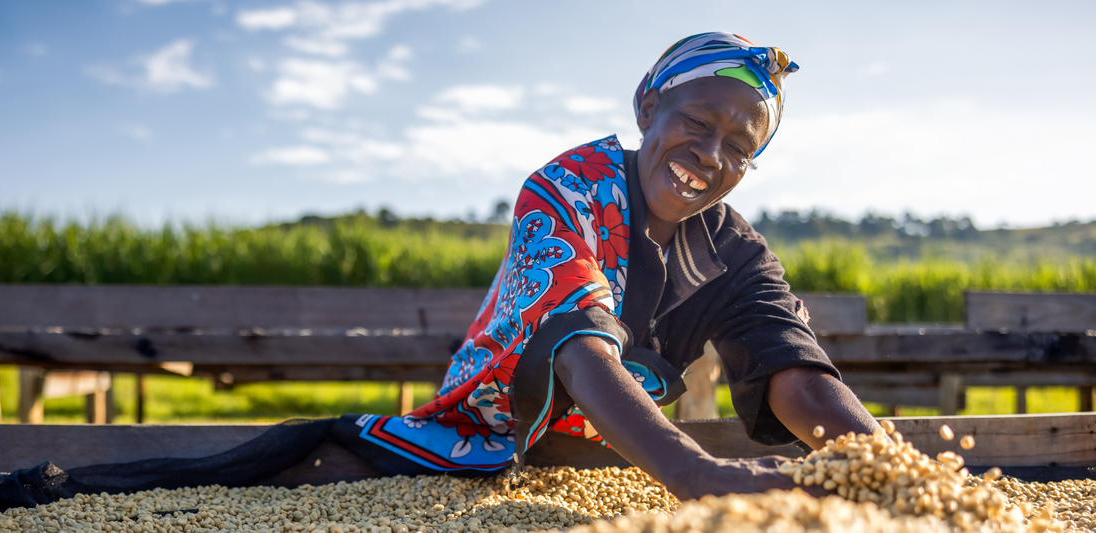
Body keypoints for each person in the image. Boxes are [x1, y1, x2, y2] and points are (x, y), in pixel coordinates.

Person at [336, 32, 882, 500]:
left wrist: (889, 467)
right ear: (648, 106)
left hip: (613, 459)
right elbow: (579, 350)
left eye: (741, 148)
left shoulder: (733, 253)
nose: (713, 154)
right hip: (474, 447)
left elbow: (792, 370)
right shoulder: (566, 190)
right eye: (696, 120)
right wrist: (695, 472)